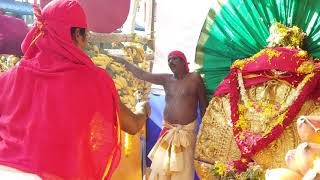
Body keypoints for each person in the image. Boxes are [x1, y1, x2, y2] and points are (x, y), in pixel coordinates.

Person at [0, 0, 148, 179]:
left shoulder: (9, 76)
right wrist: (142, 110)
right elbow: (131, 125)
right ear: (78, 34)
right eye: (86, 34)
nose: (86, 41)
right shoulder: (94, 80)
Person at [112, 50, 208, 180]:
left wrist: (206, 132)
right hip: (167, 133)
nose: (170, 62)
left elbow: (203, 106)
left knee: (182, 174)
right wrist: (124, 62)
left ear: (184, 62)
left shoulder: (195, 78)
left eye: (174, 59)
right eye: (169, 59)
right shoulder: (166, 79)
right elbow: (142, 74)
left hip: (185, 134)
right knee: (161, 172)